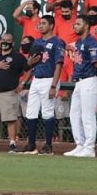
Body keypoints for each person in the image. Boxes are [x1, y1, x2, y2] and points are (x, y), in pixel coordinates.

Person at [22, 14, 64, 155]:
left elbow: (59, 64)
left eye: (44, 23)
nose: (40, 25)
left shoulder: (57, 42)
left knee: (47, 112)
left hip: (49, 78)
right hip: (36, 78)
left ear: (51, 26)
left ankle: (48, 146)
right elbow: (29, 65)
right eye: (39, 23)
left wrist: (53, 86)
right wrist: (30, 64)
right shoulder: (36, 42)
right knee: (30, 112)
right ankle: (31, 144)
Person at [63, 14, 97, 158]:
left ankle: (89, 148)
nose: (75, 26)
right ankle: (80, 145)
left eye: (78, 24)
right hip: (79, 81)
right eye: (75, 24)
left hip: (90, 79)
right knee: (74, 114)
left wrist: (93, 60)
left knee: (87, 115)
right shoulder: (79, 42)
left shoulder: (91, 41)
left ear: (86, 26)